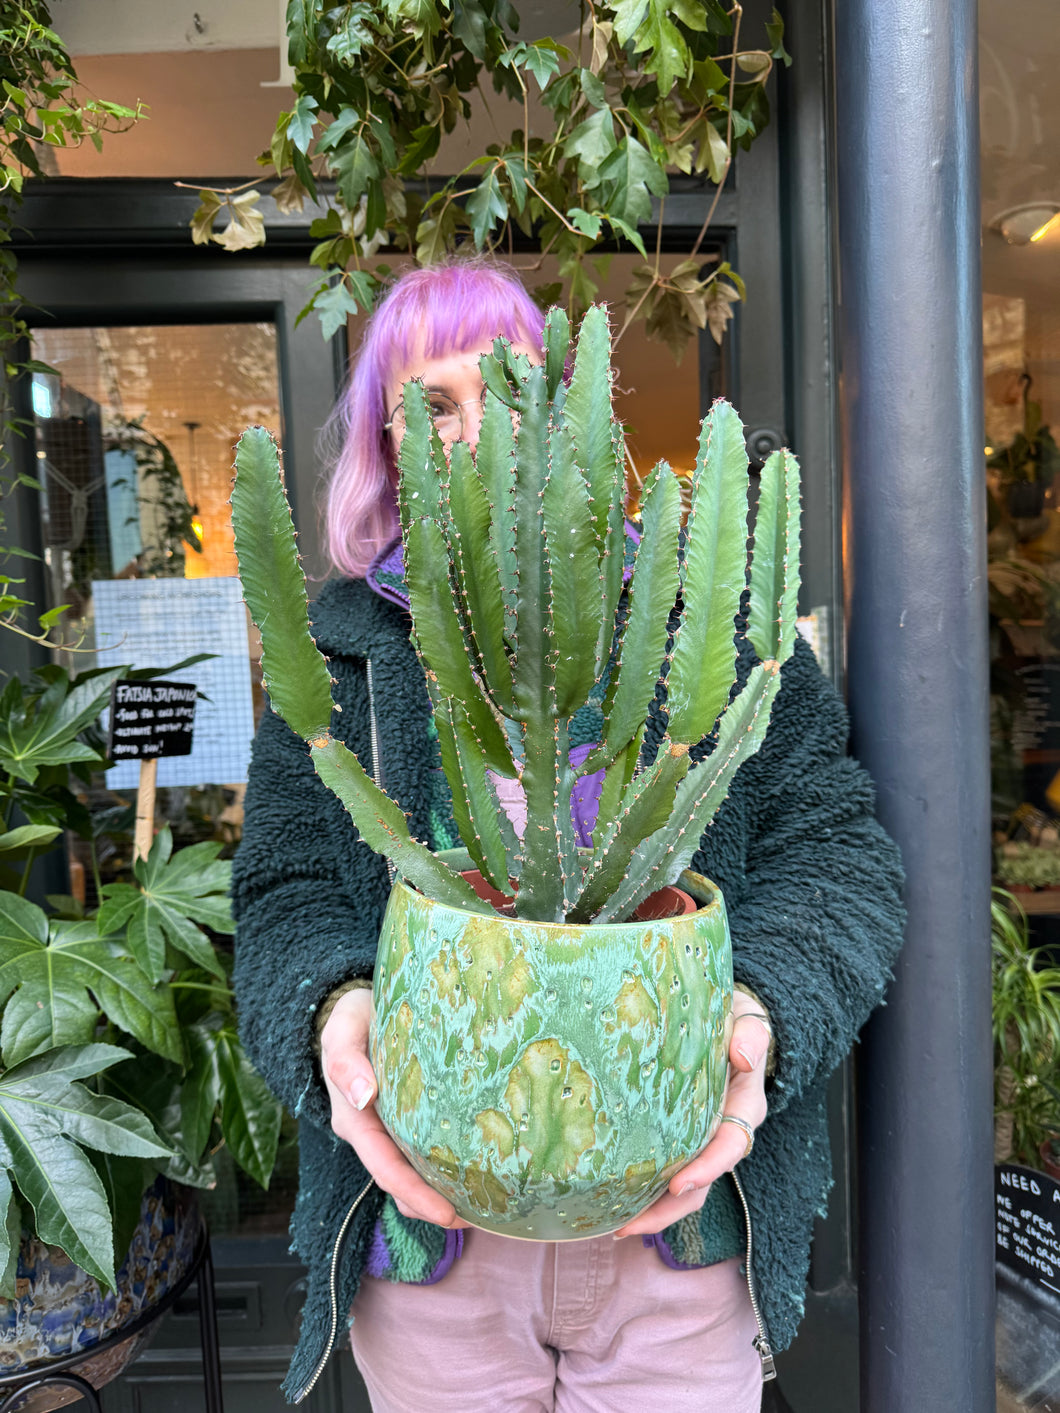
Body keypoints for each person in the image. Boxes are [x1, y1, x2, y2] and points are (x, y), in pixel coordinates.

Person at [232, 258, 905, 1412]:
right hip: (434, 1243)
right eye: (429, 405)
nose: (472, 432)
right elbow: (285, 889)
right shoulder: (338, 659)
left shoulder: (713, 627)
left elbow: (839, 856)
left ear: (572, 413)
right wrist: (331, 1011)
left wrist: (758, 1017)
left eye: (506, 388)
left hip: (677, 1240)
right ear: (389, 446)